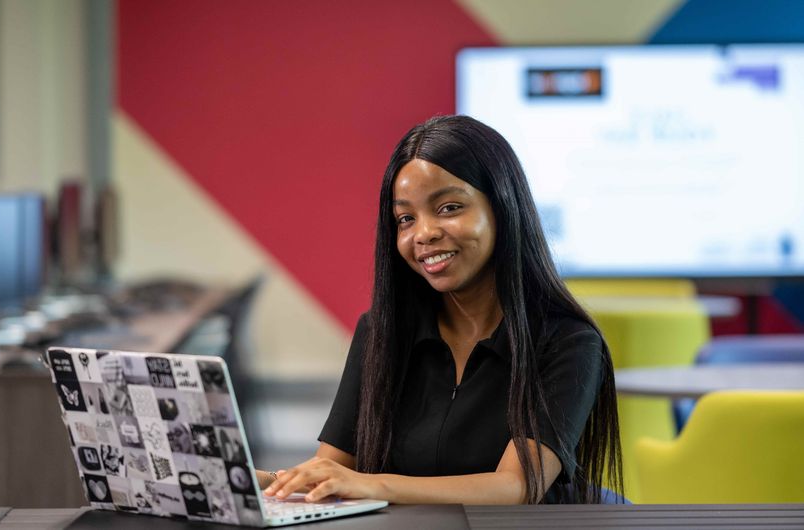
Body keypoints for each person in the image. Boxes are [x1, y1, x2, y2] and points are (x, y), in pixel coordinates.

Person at [258, 115, 623, 504]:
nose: (424, 233)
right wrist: (261, 481)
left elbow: (517, 487)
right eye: (406, 218)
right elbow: (331, 470)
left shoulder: (568, 341)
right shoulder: (382, 332)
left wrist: (375, 483)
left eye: (449, 207)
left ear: (502, 208)